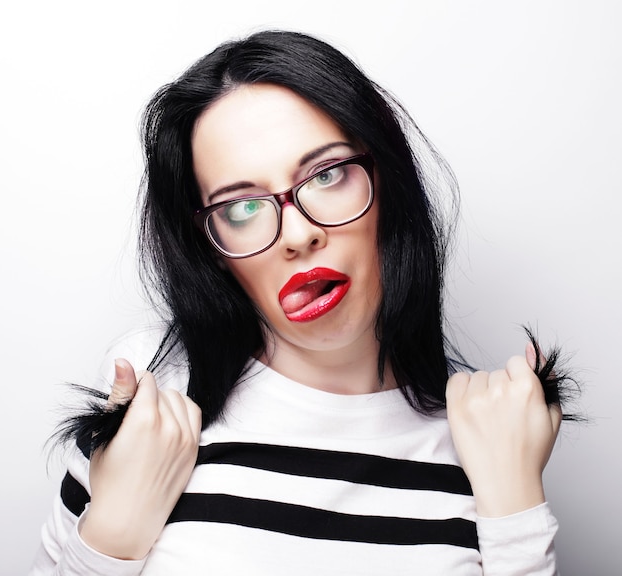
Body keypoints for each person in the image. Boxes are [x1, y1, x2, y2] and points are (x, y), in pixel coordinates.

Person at [30, 30, 567, 575]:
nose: (297, 235)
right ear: (212, 248)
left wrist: (515, 511)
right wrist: (111, 536)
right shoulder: (153, 390)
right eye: (241, 207)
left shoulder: (486, 436)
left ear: (389, 181)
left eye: (327, 174)